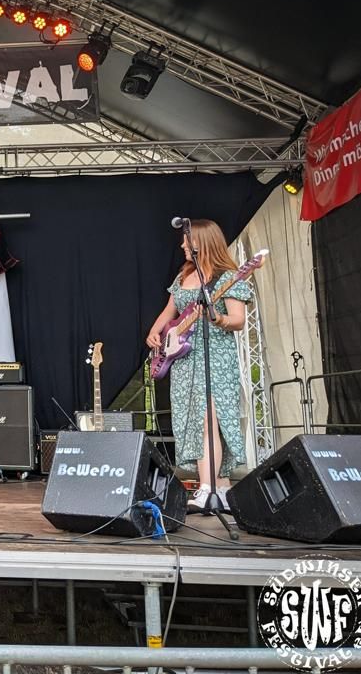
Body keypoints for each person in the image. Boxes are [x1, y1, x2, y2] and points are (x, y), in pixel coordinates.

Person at [146, 219, 253, 514]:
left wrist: (218, 319)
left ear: (201, 242)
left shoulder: (226, 277)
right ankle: (223, 488)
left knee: (209, 420)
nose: (182, 245)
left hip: (214, 357)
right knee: (194, 422)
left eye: (186, 240)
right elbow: (170, 311)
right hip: (183, 361)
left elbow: (238, 320)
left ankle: (208, 488)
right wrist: (155, 332)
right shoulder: (184, 275)